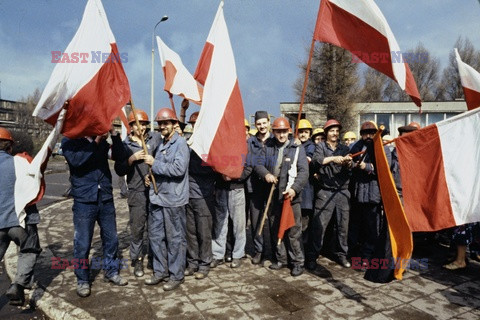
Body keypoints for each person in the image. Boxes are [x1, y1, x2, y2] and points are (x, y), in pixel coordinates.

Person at [62, 126, 128, 298]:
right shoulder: (69, 141)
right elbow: (77, 161)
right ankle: (82, 279)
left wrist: (114, 135)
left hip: (105, 197)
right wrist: (96, 142)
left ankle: (111, 271)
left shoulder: (103, 143)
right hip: (84, 200)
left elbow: (120, 157)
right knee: (82, 243)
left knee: (111, 238)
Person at [254, 117, 308, 276]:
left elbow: (304, 172)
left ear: (289, 131)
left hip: (291, 196)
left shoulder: (296, 148)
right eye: (278, 131)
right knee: (275, 228)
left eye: (284, 131)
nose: (281, 135)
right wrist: (266, 174)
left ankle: (298, 262)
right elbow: (258, 164)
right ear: (274, 132)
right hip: (273, 194)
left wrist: (295, 189)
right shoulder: (268, 146)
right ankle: (281, 259)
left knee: (293, 231)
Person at [143, 108, 189, 291]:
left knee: (175, 239)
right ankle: (160, 271)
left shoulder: (181, 144)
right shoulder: (162, 144)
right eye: (160, 123)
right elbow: (161, 168)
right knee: (156, 237)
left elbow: (178, 170)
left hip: (173, 200)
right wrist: (150, 174)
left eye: (165, 123)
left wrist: (155, 164)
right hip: (157, 198)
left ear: (173, 124)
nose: (162, 126)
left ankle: (176, 275)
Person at [113, 109, 162, 278]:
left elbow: (162, 157)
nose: (140, 128)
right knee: (137, 228)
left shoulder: (154, 139)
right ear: (131, 127)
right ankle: (138, 259)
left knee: (155, 227)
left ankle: (155, 258)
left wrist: (153, 173)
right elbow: (119, 170)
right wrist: (131, 159)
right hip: (136, 192)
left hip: (154, 189)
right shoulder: (125, 146)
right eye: (136, 124)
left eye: (143, 124)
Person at [0, 127, 42, 306]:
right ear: (10, 147)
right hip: (19, 222)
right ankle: (18, 286)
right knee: (29, 250)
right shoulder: (20, 162)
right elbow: (35, 186)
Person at [306, 119, 352, 270]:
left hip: (342, 192)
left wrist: (348, 163)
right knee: (319, 226)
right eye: (331, 131)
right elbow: (316, 162)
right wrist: (333, 158)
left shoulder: (345, 149)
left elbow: (350, 170)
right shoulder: (320, 147)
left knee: (342, 226)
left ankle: (341, 254)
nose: (335, 133)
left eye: (337, 131)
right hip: (325, 191)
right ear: (326, 133)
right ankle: (312, 256)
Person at [348, 121, 392, 272]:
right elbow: (352, 161)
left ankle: (367, 257)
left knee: (372, 229)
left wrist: (365, 167)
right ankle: (355, 256)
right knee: (356, 227)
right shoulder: (357, 146)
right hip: (358, 194)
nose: (368, 136)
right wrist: (352, 164)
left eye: (371, 133)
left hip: (373, 195)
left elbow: (384, 168)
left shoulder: (382, 148)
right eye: (365, 133)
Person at [184, 111, 215, 280]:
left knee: (204, 233)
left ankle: (204, 263)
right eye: (193, 123)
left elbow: (210, 168)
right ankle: (193, 262)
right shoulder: (189, 141)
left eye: (197, 123)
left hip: (204, 195)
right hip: (188, 195)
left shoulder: (209, 144)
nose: (195, 126)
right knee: (191, 232)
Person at [246, 111, 271, 265]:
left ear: (269, 122)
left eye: (264, 123)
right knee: (256, 221)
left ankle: (274, 250)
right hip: (255, 186)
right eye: (259, 124)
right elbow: (252, 161)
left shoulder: (275, 139)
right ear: (256, 125)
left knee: (273, 220)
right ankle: (259, 250)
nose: (262, 126)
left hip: (273, 186)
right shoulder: (250, 142)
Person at [296, 119, 316, 251]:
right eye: (300, 132)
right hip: (295, 190)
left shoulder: (311, 146)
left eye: (305, 132)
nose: (303, 134)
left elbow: (306, 161)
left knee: (304, 224)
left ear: (309, 134)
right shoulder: (294, 145)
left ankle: (303, 251)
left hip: (306, 191)